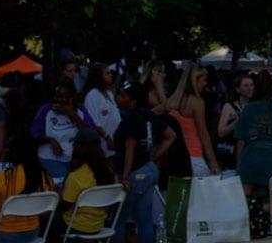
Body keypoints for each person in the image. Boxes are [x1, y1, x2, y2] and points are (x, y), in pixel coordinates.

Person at [111, 82, 176, 243]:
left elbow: (130, 149)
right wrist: (154, 155)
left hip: (135, 173)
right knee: (145, 220)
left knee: (118, 220)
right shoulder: (148, 115)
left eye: (122, 96)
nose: (118, 98)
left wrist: (124, 177)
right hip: (149, 170)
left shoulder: (131, 118)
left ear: (133, 102)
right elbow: (171, 135)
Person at [0, 133, 55, 243]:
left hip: (1, 233)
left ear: (14, 152)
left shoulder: (2, 177)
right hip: (32, 233)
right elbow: (43, 211)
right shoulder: (45, 178)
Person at [233, 71, 272, 216]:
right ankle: (263, 207)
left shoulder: (248, 110)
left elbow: (240, 142)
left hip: (249, 166)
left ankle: (254, 208)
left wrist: (239, 168)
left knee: (242, 205)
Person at [30, 81, 97, 183]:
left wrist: (73, 114)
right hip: (50, 158)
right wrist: (50, 140)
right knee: (64, 180)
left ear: (72, 98)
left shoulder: (80, 110)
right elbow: (34, 133)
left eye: (63, 97)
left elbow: (91, 134)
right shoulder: (46, 110)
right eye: (56, 96)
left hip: (75, 159)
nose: (58, 100)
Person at [58, 128, 117, 237]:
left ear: (78, 147)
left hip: (76, 225)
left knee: (46, 220)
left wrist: (58, 196)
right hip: (98, 225)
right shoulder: (108, 169)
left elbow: (65, 205)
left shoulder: (76, 176)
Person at [164, 64, 219, 176]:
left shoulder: (172, 100)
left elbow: (153, 112)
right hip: (194, 156)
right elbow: (203, 134)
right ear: (194, 81)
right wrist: (213, 162)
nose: (205, 83)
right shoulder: (197, 102)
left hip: (175, 157)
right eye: (203, 80)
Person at [80, 63, 120, 156]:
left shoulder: (109, 93)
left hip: (116, 141)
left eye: (110, 73)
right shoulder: (92, 95)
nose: (110, 75)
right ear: (98, 77)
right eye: (107, 73)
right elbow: (93, 121)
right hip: (104, 143)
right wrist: (107, 138)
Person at [216, 71, 254, 164]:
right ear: (238, 89)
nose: (250, 88)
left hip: (250, 153)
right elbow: (220, 132)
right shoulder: (229, 107)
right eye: (246, 85)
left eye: (252, 85)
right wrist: (236, 122)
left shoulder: (255, 106)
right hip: (232, 153)